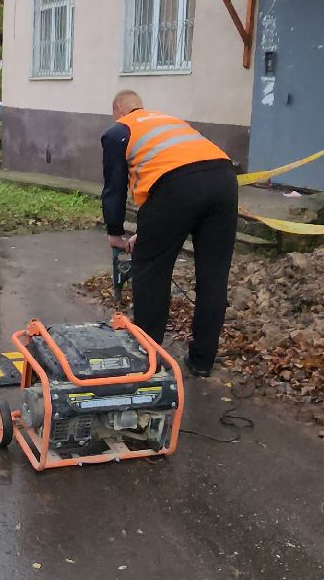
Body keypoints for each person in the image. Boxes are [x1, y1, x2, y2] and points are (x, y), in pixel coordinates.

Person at [100, 89, 238, 378]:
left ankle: (148, 359)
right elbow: (182, 172)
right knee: (213, 276)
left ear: (118, 109)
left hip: (176, 186)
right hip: (224, 180)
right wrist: (148, 234)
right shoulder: (169, 122)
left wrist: (115, 231)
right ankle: (202, 361)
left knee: (151, 272)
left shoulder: (120, 130)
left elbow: (115, 186)